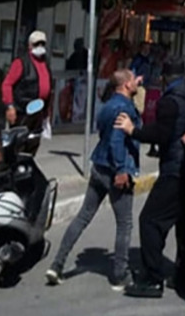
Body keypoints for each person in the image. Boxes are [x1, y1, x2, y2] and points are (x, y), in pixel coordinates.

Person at [45, 69, 141, 290]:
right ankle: (119, 275)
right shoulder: (124, 107)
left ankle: (57, 264)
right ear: (126, 84)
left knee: (82, 217)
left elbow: (102, 130)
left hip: (98, 166)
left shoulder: (107, 105)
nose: (137, 81)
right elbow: (117, 140)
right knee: (124, 224)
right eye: (133, 79)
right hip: (116, 170)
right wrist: (120, 170)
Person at [113, 60, 185, 298]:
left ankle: (153, 278)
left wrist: (134, 131)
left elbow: (162, 134)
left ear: (164, 78)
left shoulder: (169, 102)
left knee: (150, 220)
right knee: (184, 226)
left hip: (175, 170)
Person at [1, 30, 53, 126]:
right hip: (23, 112)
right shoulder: (21, 62)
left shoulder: (45, 62)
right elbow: (7, 84)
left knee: (34, 139)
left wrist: (48, 110)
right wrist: (10, 106)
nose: (40, 46)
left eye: (42, 44)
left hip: (39, 112)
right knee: (21, 139)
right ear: (30, 45)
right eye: (37, 44)